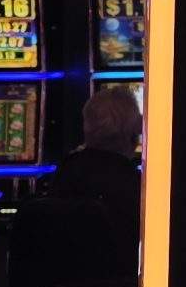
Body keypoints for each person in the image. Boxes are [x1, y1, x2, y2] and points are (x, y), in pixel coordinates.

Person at [49, 85, 142, 270]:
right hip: (120, 285)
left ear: (86, 129)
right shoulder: (136, 187)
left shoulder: (63, 175)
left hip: (64, 284)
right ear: (134, 136)